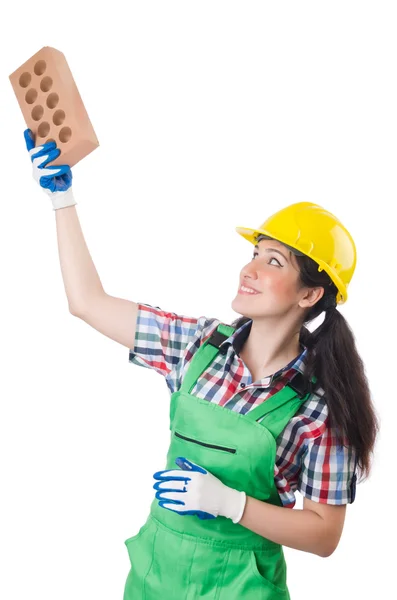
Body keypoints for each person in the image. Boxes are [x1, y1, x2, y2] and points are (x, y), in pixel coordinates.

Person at [24, 129, 379, 599]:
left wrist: (232, 504)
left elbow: (324, 535)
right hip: (155, 578)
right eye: (254, 254)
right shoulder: (197, 345)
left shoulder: (319, 408)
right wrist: (61, 199)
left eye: (273, 262)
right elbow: (87, 302)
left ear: (310, 294)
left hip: (241, 588)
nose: (249, 270)